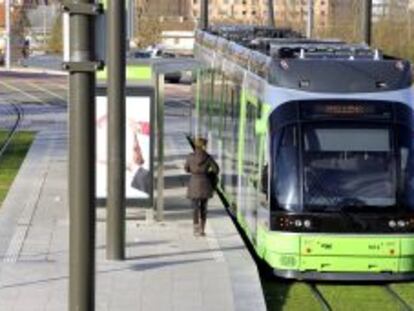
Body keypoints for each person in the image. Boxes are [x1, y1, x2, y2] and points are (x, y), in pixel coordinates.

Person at [185, 137, 219, 236]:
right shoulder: (208, 157)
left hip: (193, 184)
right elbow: (216, 170)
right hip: (205, 185)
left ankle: (196, 229)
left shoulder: (190, 157)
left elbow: (186, 169)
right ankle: (202, 230)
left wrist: (194, 171)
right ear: (203, 146)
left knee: (195, 208)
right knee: (203, 208)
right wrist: (207, 172)